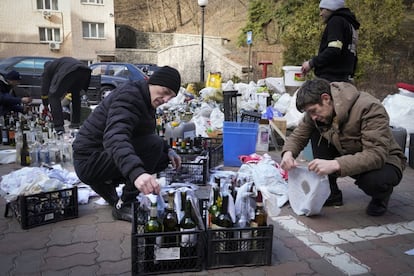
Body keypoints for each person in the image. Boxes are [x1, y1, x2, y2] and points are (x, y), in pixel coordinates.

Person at [280, 79, 406, 216]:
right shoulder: (316, 112)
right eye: (309, 113)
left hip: (385, 160)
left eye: (313, 111)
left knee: (374, 181)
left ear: (326, 98)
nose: (313, 117)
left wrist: (336, 164)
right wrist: (288, 153)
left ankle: (381, 196)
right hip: (347, 151)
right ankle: (331, 193)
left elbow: (376, 154)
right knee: (316, 131)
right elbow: (299, 135)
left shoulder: (369, 108)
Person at [72, 66, 182, 222]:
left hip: (100, 156)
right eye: (164, 92)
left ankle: (107, 185)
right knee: (153, 146)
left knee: (162, 156)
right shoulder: (129, 96)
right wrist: (137, 174)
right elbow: (115, 136)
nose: (165, 100)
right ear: (152, 82)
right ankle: (125, 203)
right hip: (89, 161)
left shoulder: (145, 98)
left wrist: (169, 150)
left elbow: (144, 134)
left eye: (170, 97)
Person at [301, 0, 360, 82]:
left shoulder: (336, 21)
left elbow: (333, 50)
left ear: (330, 8)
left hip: (331, 79)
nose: (320, 14)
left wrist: (311, 63)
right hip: (345, 79)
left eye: (322, 10)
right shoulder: (350, 24)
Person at [41, 57, 92, 135]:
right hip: (85, 70)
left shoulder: (48, 69)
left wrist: (45, 104)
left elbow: (45, 89)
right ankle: (76, 123)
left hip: (71, 70)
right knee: (75, 95)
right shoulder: (59, 64)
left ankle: (59, 127)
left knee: (54, 96)